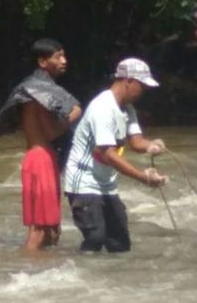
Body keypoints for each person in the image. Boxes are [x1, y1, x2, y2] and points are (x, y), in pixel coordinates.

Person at [64, 58, 168, 252]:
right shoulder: (103, 108)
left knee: (120, 243)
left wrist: (151, 146)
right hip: (84, 182)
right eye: (142, 85)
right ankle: (83, 274)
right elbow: (108, 154)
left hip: (107, 184)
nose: (143, 91)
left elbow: (136, 141)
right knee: (95, 237)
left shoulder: (127, 108)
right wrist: (144, 177)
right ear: (128, 81)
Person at [17, 39, 82, 251]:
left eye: (64, 55)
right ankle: (28, 272)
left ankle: (42, 271)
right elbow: (50, 131)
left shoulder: (40, 89)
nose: (64, 61)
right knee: (40, 229)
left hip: (45, 157)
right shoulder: (37, 93)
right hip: (39, 158)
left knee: (53, 230)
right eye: (58, 57)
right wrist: (74, 115)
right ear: (43, 62)